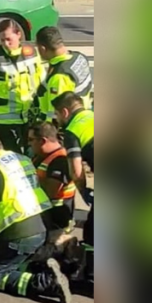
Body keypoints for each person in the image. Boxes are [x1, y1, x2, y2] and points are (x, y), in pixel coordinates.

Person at [0, 131, 71, 303]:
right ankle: (39, 265)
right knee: (12, 258)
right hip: (42, 225)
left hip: (19, 233)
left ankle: (47, 283)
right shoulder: (21, 158)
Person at [0, 19, 45, 152]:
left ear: (18, 34)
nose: (5, 44)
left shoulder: (32, 54)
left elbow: (43, 85)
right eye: (2, 40)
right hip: (2, 125)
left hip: (29, 121)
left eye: (9, 39)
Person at [53, 91, 95, 247]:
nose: (57, 120)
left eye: (57, 115)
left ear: (65, 112)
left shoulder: (72, 130)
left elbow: (76, 173)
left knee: (93, 231)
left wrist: (85, 192)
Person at [33, 26, 93, 122]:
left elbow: (58, 113)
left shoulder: (60, 76)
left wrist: (50, 130)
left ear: (42, 49)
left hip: (66, 125)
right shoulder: (79, 57)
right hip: (84, 116)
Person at [28, 121, 77, 236]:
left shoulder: (60, 160)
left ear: (43, 141)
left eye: (31, 140)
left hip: (56, 219)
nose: (29, 144)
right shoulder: (42, 155)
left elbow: (49, 193)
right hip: (43, 215)